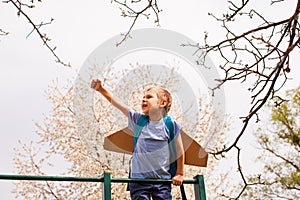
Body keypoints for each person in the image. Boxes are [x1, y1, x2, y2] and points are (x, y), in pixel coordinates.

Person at [91, 79, 185, 200]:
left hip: (162, 180)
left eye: (149, 97)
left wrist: (179, 173)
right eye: (143, 97)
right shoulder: (139, 121)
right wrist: (101, 90)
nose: (143, 99)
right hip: (139, 180)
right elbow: (119, 105)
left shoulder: (170, 125)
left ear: (163, 102)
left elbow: (180, 151)